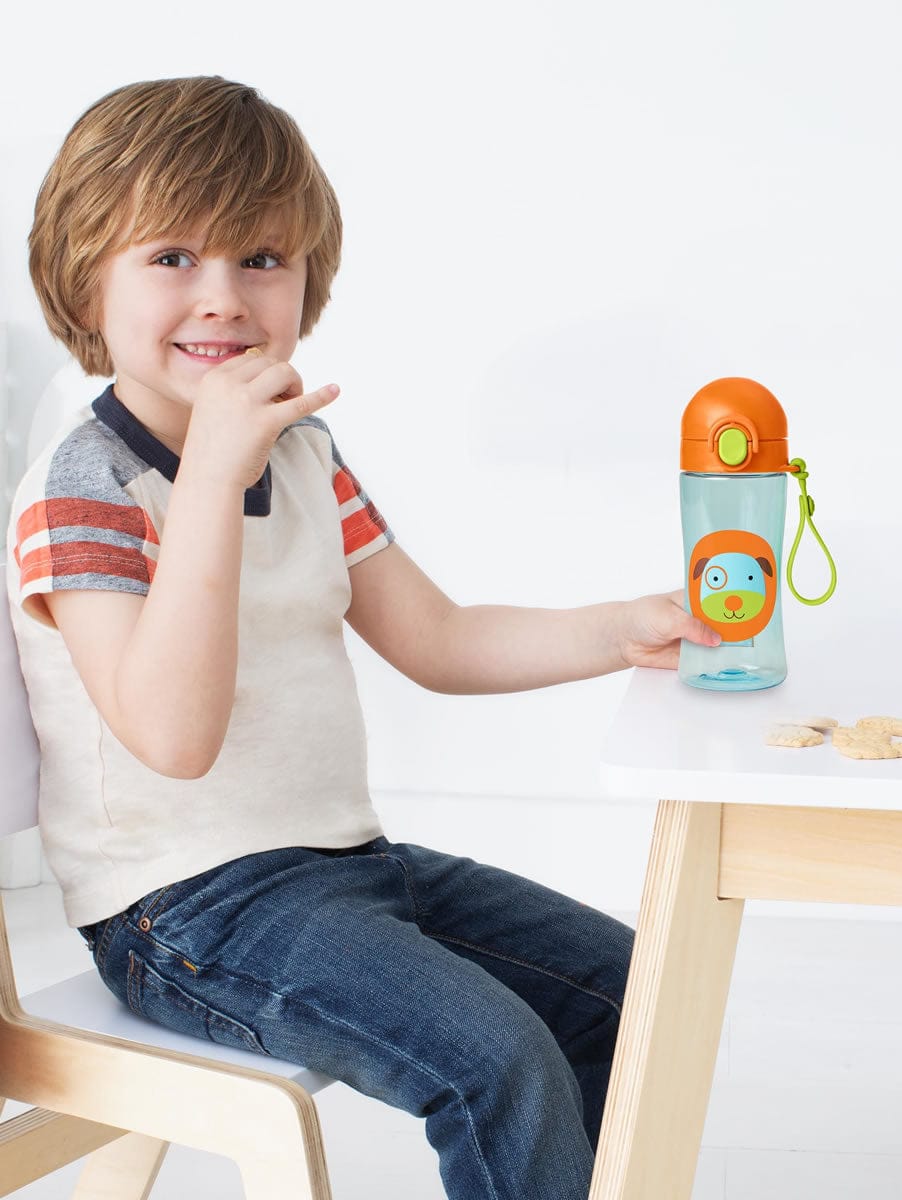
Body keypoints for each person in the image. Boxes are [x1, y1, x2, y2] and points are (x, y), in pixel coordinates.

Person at [7, 76, 720, 1200]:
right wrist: (211, 476)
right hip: (182, 911)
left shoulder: (303, 453)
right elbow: (174, 736)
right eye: (172, 257)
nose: (222, 298)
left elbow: (437, 639)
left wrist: (618, 628)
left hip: (344, 867)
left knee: (630, 991)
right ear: (85, 277)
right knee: (495, 1061)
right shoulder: (83, 488)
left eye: (260, 258)